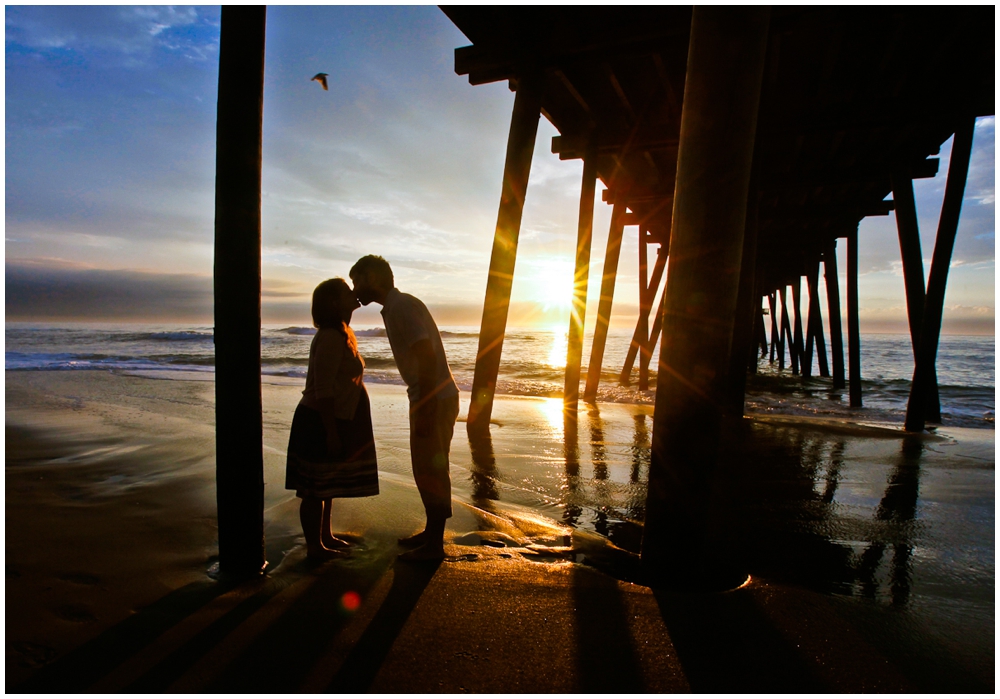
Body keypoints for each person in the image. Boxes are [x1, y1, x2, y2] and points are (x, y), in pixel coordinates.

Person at [350, 255, 459, 562]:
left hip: (433, 398)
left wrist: (424, 403)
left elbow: (425, 354)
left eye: (357, 280)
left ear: (372, 278)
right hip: (431, 396)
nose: (354, 288)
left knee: (431, 468)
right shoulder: (397, 306)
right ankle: (432, 534)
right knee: (426, 467)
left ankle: (434, 546)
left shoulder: (402, 307)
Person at [286, 278, 379, 561]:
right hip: (319, 420)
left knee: (327, 483)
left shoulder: (342, 333)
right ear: (335, 302)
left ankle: (325, 536)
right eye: (346, 291)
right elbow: (323, 390)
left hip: (335, 418)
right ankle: (314, 547)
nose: (354, 293)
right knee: (314, 488)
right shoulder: (329, 336)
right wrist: (331, 432)